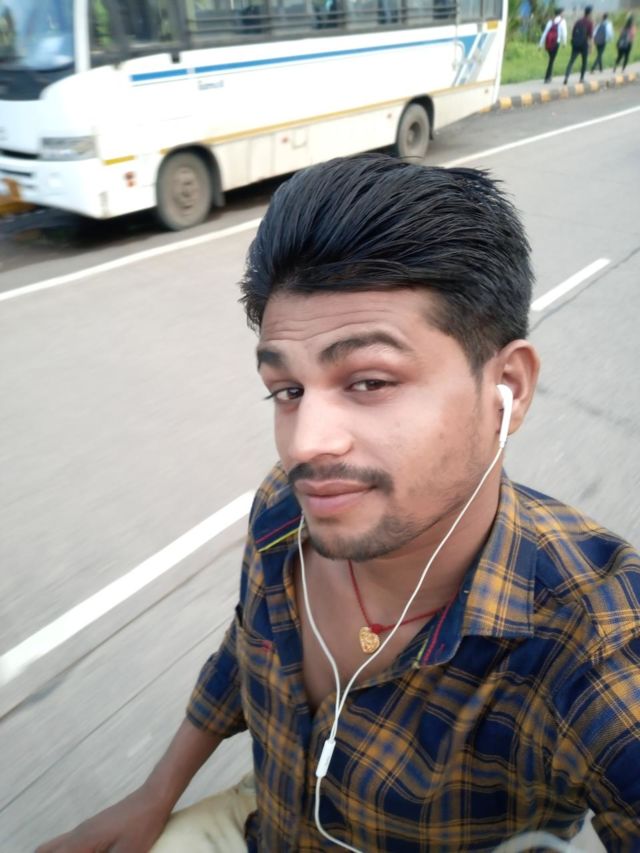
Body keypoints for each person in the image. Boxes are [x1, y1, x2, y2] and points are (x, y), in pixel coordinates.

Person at [37, 155, 640, 853]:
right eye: (287, 391)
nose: (305, 444)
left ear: (508, 387)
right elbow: (246, 649)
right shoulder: (284, 511)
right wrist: (154, 795)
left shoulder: (591, 645)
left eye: (370, 381)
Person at [563, 5, 594, 85]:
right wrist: (591, 47)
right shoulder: (589, 23)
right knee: (584, 62)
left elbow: (573, 33)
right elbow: (590, 37)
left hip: (576, 44)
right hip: (584, 45)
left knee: (571, 61)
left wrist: (574, 42)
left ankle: (566, 77)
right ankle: (581, 79)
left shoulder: (578, 21)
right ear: (589, 13)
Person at [539, 8, 567, 83]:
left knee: (551, 59)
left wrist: (540, 44)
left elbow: (545, 33)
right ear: (560, 13)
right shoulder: (563, 21)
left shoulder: (550, 21)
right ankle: (547, 77)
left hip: (548, 42)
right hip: (556, 43)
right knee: (551, 60)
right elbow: (564, 33)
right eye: (563, 12)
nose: (563, 14)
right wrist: (564, 43)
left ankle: (549, 76)